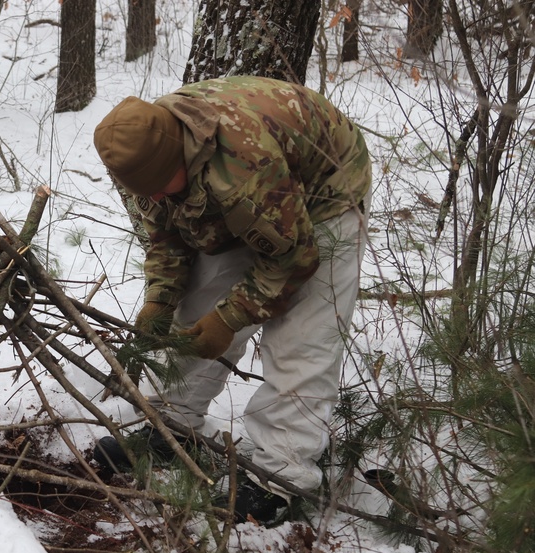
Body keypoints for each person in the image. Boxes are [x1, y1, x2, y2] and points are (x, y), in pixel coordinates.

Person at [91, 76, 372, 526]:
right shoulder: (136, 155)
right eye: (151, 193)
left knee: (303, 337)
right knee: (194, 309)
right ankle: (173, 429)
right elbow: (165, 232)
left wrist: (232, 317)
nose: (158, 197)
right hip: (247, 196)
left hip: (324, 193)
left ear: (179, 156)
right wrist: (160, 299)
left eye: (164, 185)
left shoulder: (244, 158)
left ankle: (282, 477)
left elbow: (293, 257)